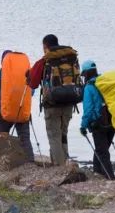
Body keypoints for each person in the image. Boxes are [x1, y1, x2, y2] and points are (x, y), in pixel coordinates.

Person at [27, 33, 79, 166]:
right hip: (69, 101)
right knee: (63, 134)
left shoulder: (45, 60)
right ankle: (66, 163)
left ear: (45, 46)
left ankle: (59, 168)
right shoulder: (70, 57)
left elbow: (32, 83)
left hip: (52, 104)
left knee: (54, 136)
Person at [0, 50, 35, 163]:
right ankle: (30, 162)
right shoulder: (24, 73)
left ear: (3, 61)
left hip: (5, 112)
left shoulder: (0, 74)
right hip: (23, 111)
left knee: (2, 138)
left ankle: (3, 163)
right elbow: (31, 92)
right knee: (25, 139)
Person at [79, 60, 115, 179]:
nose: (84, 77)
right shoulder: (105, 83)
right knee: (101, 149)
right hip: (112, 121)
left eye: (84, 74)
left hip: (99, 124)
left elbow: (88, 110)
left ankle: (110, 177)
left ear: (86, 73)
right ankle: (97, 173)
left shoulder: (89, 87)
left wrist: (83, 126)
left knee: (102, 152)